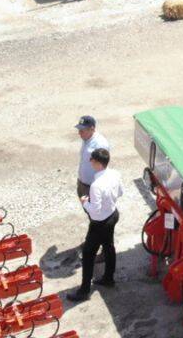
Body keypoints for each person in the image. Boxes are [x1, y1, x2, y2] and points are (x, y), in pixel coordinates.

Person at [68, 147, 121, 302]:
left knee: (88, 254)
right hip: (113, 215)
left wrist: (84, 202)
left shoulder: (96, 185)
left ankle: (84, 291)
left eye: (92, 159)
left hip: (100, 223)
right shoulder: (115, 174)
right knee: (109, 246)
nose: (90, 161)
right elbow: (120, 192)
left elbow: (95, 211)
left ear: (98, 163)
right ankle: (108, 278)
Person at [75, 115, 110, 200]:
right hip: (82, 183)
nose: (79, 133)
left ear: (92, 129)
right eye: (79, 130)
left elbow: (102, 168)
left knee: (93, 208)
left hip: (92, 187)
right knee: (85, 206)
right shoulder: (86, 138)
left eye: (82, 130)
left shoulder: (100, 144)